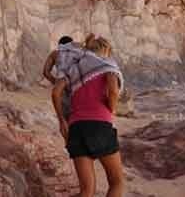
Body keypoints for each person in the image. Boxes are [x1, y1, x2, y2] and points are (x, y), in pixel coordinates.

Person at [50, 35, 125, 197]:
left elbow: (56, 92)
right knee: (116, 182)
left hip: (76, 129)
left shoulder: (73, 69)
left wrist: (62, 121)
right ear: (105, 51)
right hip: (100, 126)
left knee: (86, 190)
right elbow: (113, 90)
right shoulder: (106, 64)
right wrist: (111, 108)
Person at [42, 35, 79, 117]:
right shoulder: (77, 54)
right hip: (75, 86)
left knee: (65, 116)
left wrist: (55, 82)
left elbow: (45, 71)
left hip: (61, 88)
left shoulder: (55, 53)